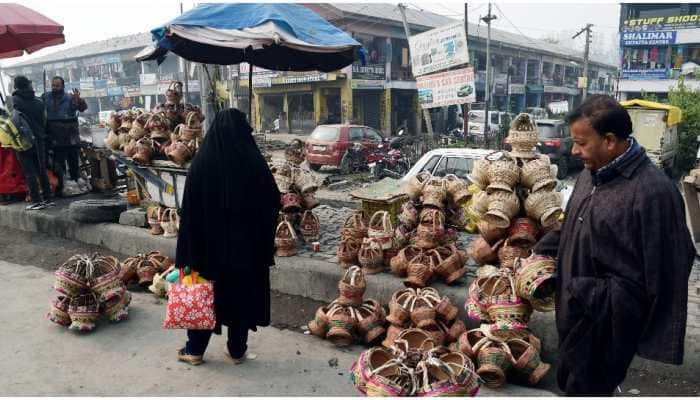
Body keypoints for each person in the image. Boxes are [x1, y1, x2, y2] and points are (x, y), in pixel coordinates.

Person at [534, 95, 694, 395]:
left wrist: (608, 300)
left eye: (581, 143)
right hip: (574, 310)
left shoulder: (653, 192)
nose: (574, 150)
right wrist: (537, 252)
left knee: (587, 387)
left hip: (606, 322)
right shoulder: (590, 173)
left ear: (609, 140)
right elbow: (574, 225)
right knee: (569, 380)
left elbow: (671, 266)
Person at [174, 108, 281, 366]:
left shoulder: (202, 163)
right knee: (241, 299)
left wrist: (188, 250)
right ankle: (236, 350)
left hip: (207, 252)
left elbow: (189, 210)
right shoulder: (253, 161)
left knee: (204, 297)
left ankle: (195, 350)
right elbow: (272, 200)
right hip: (246, 253)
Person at [11, 76, 53, 210]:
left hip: (22, 141)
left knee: (29, 171)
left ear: (16, 86)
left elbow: (10, 121)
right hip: (39, 139)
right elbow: (44, 120)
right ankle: (47, 198)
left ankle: (36, 200)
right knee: (41, 169)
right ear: (28, 85)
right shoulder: (39, 102)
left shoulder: (13, 101)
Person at [42, 76, 88, 195]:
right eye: (53, 85)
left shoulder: (70, 97)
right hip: (54, 136)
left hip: (70, 135)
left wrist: (79, 100)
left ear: (62, 86)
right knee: (58, 163)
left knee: (73, 162)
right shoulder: (45, 97)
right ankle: (59, 187)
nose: (54, 88)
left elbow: (83, 108)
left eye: (57, 85)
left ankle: (75, 184)